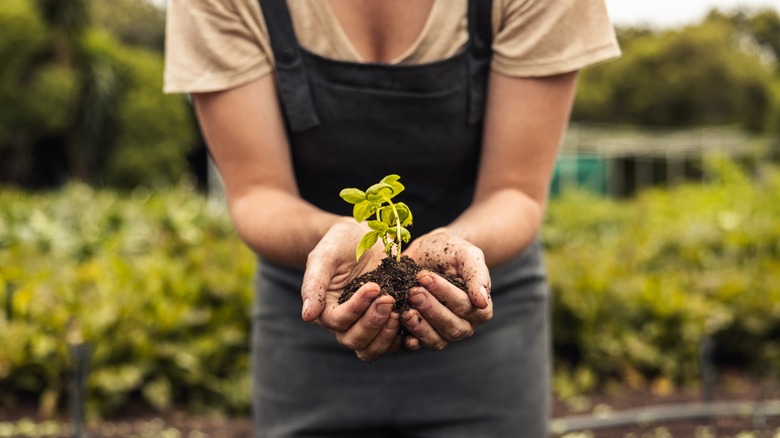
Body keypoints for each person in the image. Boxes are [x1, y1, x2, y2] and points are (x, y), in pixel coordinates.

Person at [164, 1, 620, 436]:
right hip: (314, 305)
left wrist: (455, 244)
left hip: (482, 303)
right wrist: (335, 234)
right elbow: (257, 192)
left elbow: (515, 190)